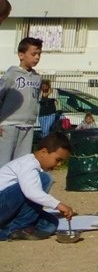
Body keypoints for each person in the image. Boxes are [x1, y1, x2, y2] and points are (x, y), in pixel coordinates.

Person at [0, 131, 74, 241]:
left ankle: (7, 231)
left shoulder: (34, 167)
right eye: (58, 160)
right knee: (45, 179)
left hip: (8, 211)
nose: (59, 165)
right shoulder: (27, 163)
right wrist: (58, 205)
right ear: (44, 152)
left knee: (51, 223)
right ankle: (16, 228)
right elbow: (31, 192)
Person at [0, 38, 44, 167]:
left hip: (28, 126)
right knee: (4, 163)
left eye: (39, 54)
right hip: (8, 125)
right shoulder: (11, 74)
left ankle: (15, 187)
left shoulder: (37, 77)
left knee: (20, 164)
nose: (37, 57)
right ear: (21, 55)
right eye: (33, 54)